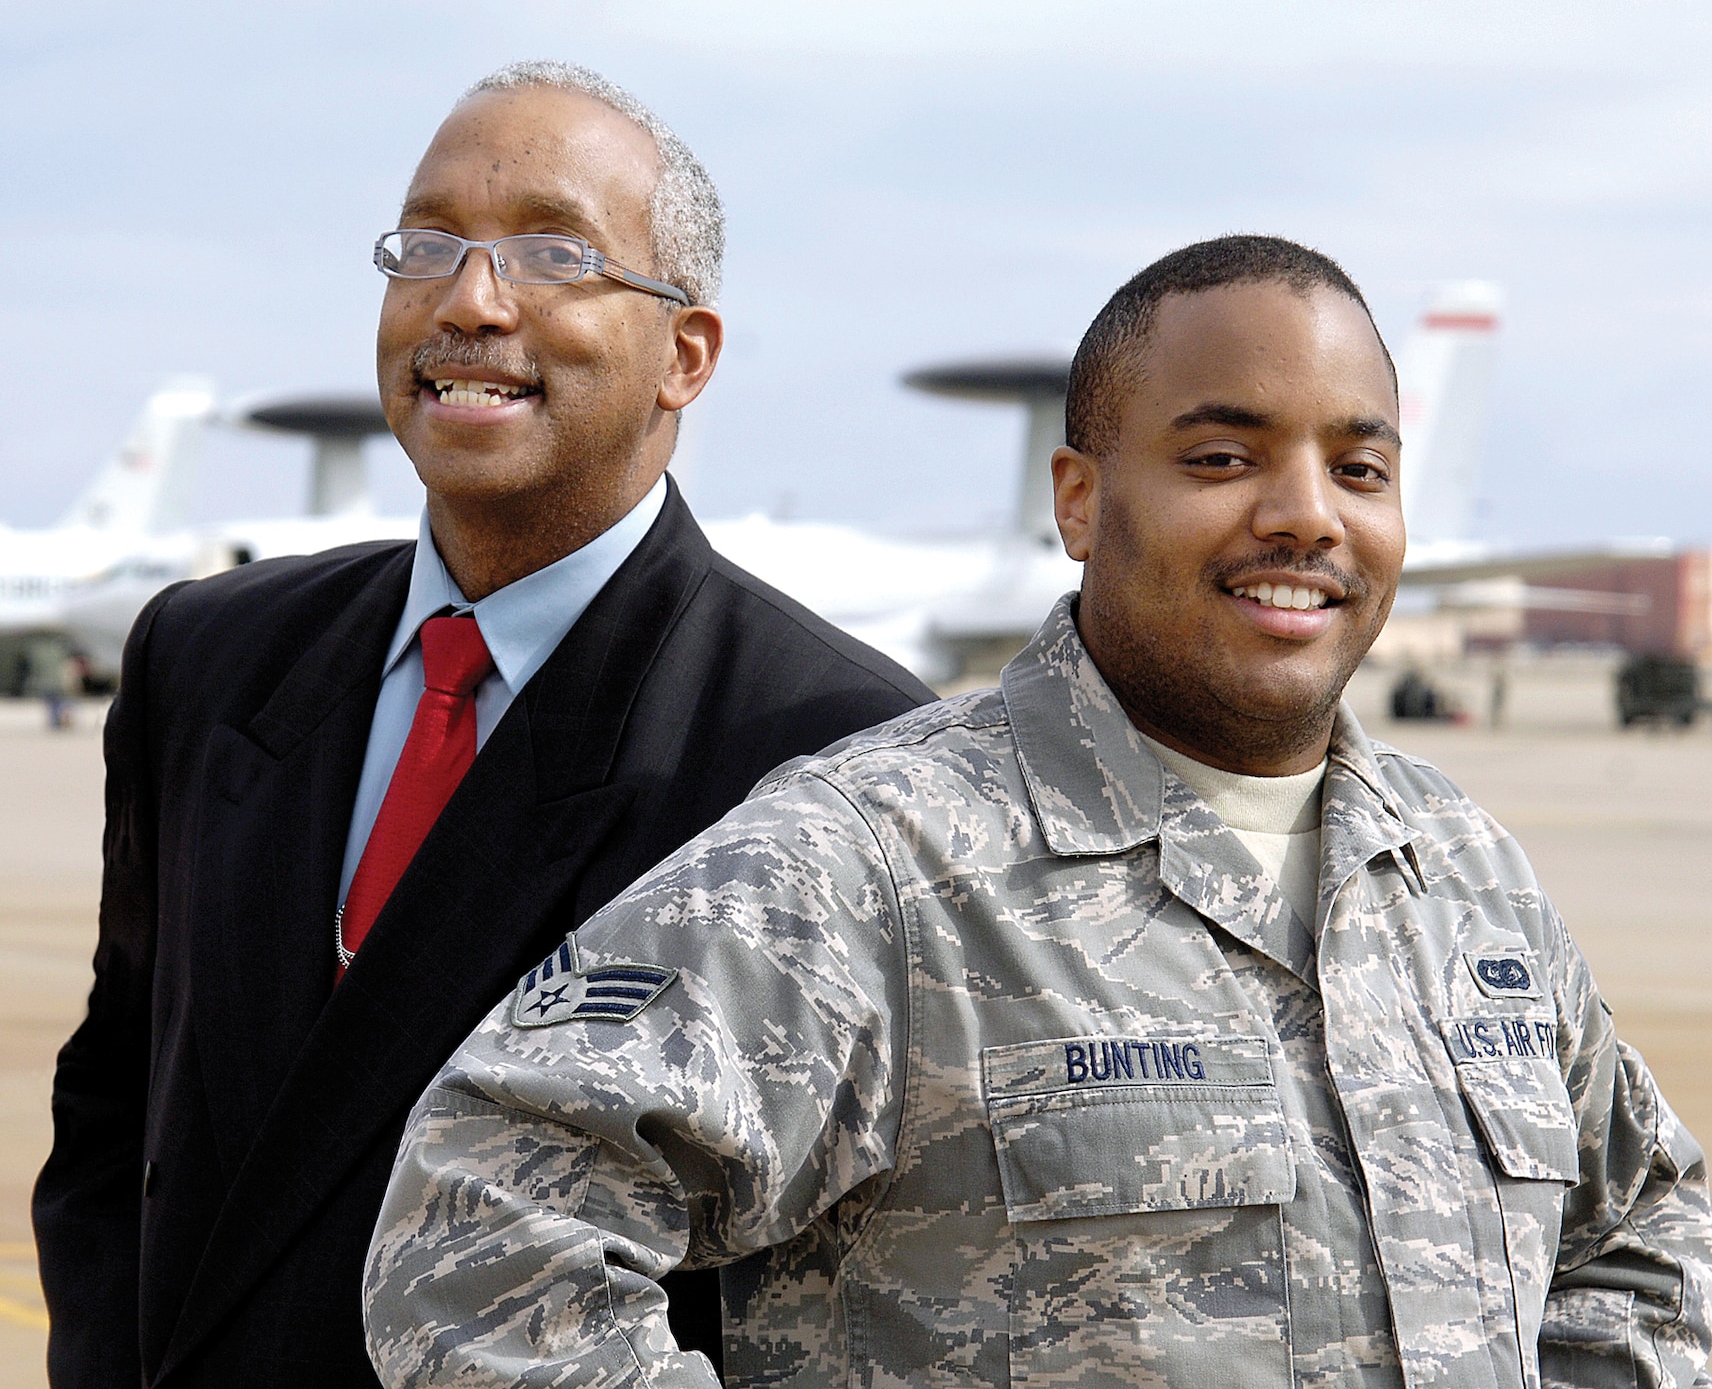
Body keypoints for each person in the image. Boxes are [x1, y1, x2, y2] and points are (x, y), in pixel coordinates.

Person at [366, 235, 1712, 1389]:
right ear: (1079, 499)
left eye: (1360, 471)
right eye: (1225, 456)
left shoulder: (1460, 872)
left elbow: (1650, 1230)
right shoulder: (874, 863)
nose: (1307, 515)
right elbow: (476, 1228)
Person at [32, 61, 932, 1388]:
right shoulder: (207, 659)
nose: (469, 300)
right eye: (428, 245)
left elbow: (850, 1276)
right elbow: (118, 1105)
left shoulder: (831, 750)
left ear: (687, 353)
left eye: (553, 254)